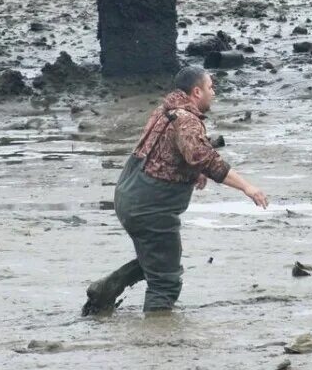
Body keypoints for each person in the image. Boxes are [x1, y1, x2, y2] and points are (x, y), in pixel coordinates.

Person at [82, 65, 268, 316]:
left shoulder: (164, 110)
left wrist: (194, 172)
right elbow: (208, 160)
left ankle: (104, 290)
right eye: (210, 88)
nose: (214, 93)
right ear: (196, 92)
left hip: (128, 195)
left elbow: (170, 153)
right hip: (150, 208)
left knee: (161, 258)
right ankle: (157, 340)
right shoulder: (187, 121)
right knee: (166, 281)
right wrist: (248, 187)